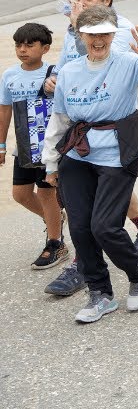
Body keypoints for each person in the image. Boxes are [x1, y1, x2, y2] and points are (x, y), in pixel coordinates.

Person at [43, 0, 138, 300]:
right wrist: (58, 78)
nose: (78, 3)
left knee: (103, 222)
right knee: (86, 221)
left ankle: (120, 268)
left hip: (116, 136)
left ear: (107, 1)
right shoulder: (76, 29)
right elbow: (63, 101)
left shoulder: (119, 35)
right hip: (80, 143)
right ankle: (102, 284)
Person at [1, 23, 66, 269]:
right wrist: (1, 145)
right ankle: (55, 221)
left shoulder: (55, 72)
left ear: (45, 48)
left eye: (30, 45)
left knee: (46, 193)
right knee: (20, 194)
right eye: (18, 45)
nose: (23, 50)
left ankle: (55, 243)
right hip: (24, 147)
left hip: (48, 146)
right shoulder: (9, 75)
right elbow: (4, 110)